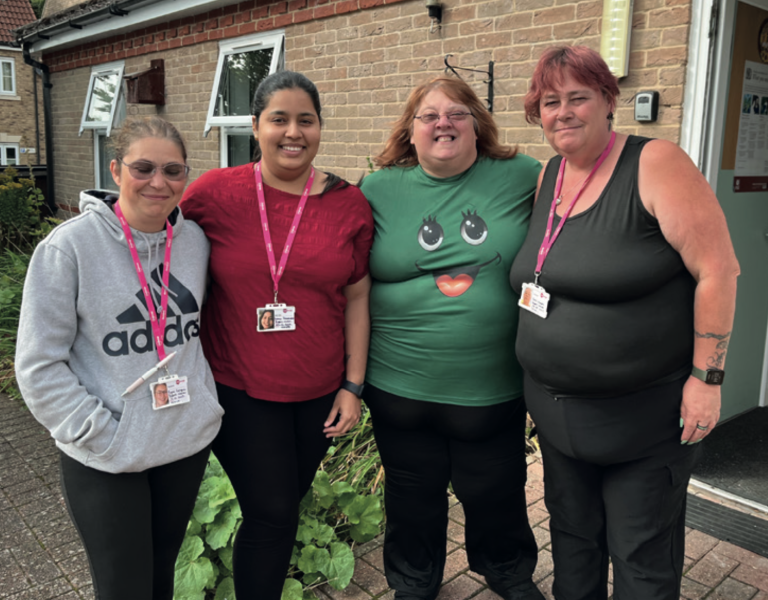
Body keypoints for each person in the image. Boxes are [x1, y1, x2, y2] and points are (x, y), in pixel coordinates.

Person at [509, 45, 740, 600]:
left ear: (608, 101)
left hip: (644, 421)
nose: (562, 112)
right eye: (548, 102)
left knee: (640, 555)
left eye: (577, 98)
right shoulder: (550, 176)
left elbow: (719, 271)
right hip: (558, 417)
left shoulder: (656, 163)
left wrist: (707, 381)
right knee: (572, 540)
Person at [181, 71, 373, 600]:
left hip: (318, 391)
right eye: (279, 119)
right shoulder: (214, 193)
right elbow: (154, 236)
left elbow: (357, 297)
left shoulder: (348, 203)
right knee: (271, 511)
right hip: (239, 388)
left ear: (319, 127)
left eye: (305, 120)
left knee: (284, 508)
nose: (293, 132)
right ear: (256, 126)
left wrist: (352, 385)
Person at [15, 116, 224, 600]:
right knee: (122, 588)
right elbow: (38, 365)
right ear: (116, 170)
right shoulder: (68, 249)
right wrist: (101, 433)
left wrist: (203, 407)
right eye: (144, 167)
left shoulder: (194, 243)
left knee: (160, 576)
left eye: (173, 170)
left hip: (181, 442)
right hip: (107, 454)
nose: (159, 182)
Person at [360, 76, 544, 600]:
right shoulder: (378, 187)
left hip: (490, 387)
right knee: (411, 495)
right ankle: (413, 580)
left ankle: (508, 571)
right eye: (429, 115)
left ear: (478, 125)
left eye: (458, 113)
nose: (444, 122)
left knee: (498, 492)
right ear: (411, 131)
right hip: (397, 384)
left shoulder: (522, 174)